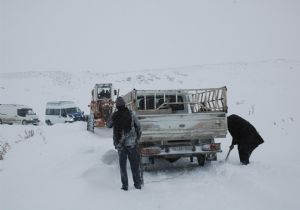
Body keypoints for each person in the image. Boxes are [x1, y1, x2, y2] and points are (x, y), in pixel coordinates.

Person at [107, 97, 142, 191]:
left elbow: (108, 125)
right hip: (132, 144)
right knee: (135, 165)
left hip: (120, 144)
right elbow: (138, 127)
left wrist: (112, 114)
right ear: (125, 104)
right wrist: (137, 138)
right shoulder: (131, 114)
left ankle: (125, 186)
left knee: (123, 167)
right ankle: (137, 185)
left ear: (117, 106)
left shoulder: (115, 115)